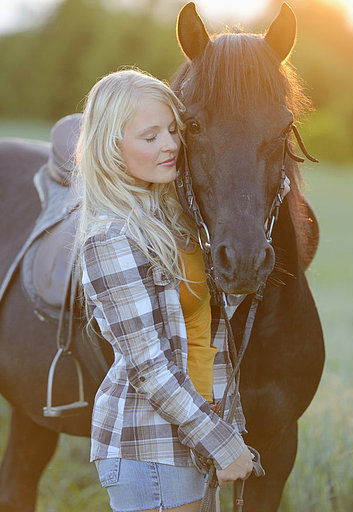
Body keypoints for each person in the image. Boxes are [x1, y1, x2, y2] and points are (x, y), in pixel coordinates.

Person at [75, 68, 257, 512]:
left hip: (190, 439)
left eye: (173, 130)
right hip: (148, 448)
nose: (170, 145)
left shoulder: (172, 223)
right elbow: (149, 368)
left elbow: (205, 323)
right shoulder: (110, 239)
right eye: (150, 136)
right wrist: (223, 443)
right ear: (111, 147)